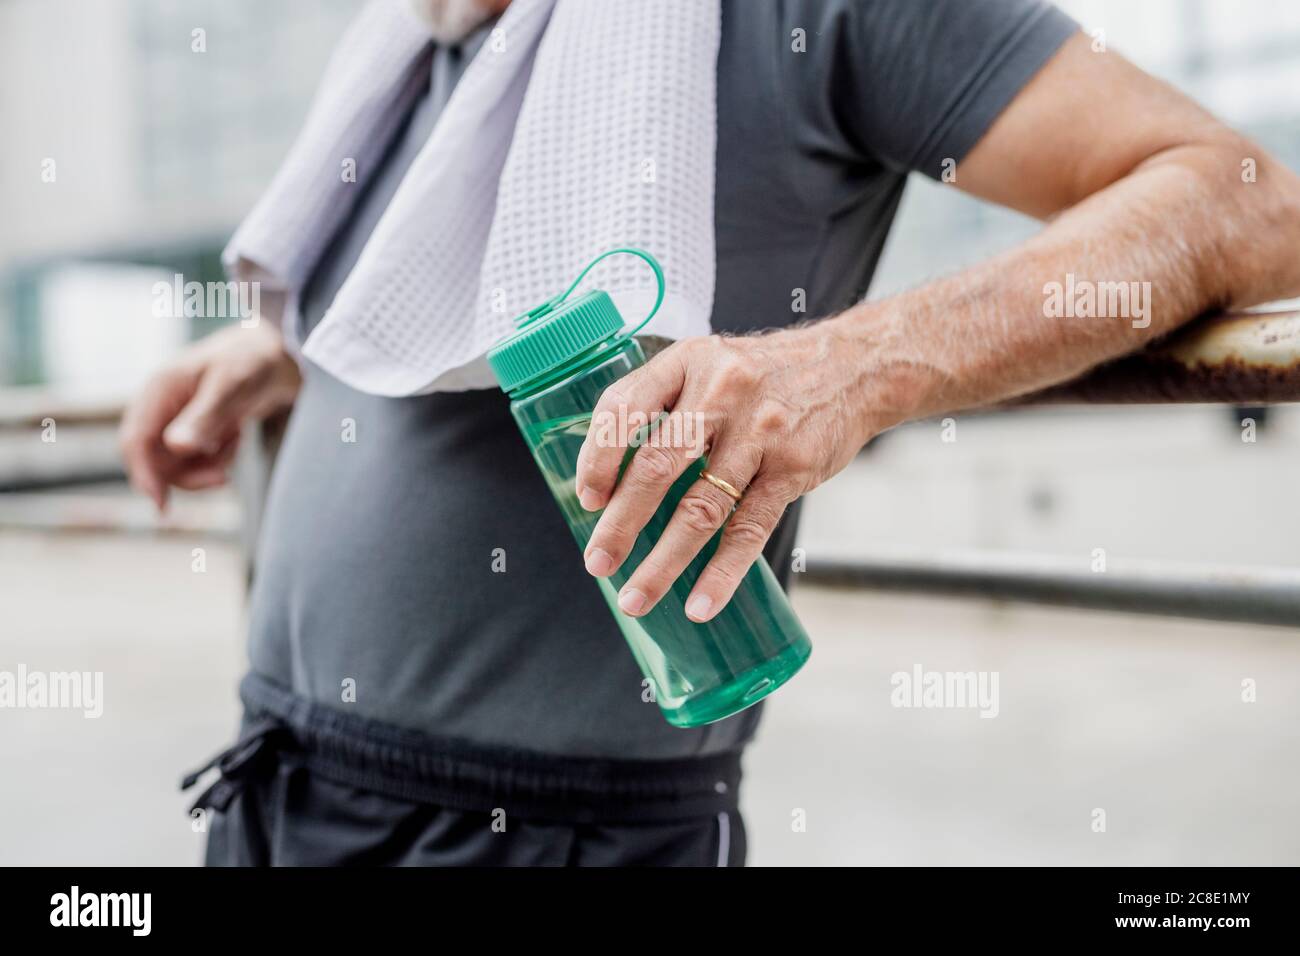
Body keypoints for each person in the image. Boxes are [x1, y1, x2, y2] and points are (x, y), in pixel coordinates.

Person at [120, 0, 1300, 866]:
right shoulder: (413, 46)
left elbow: (1243, 194)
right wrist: (292, 348)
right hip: (276, 782)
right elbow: (457, 295)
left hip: (554, 838)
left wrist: (849, 365)